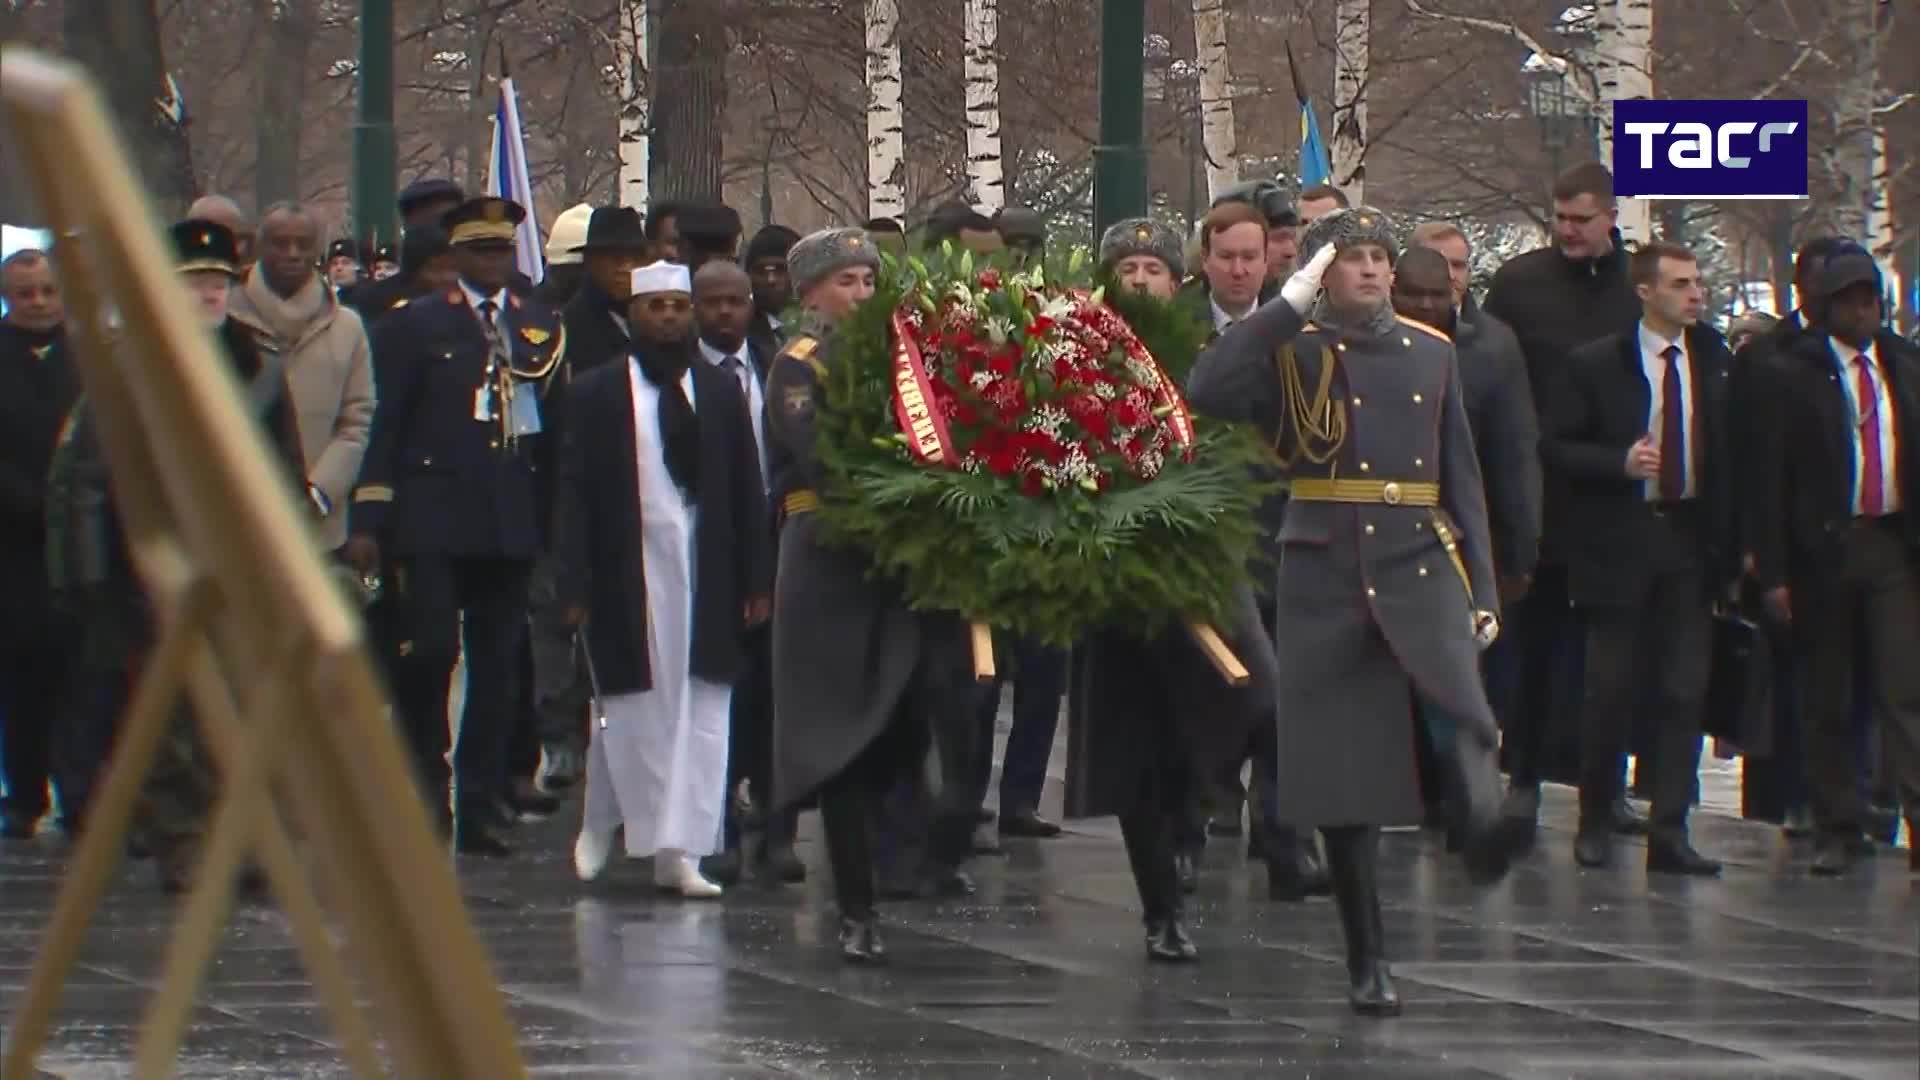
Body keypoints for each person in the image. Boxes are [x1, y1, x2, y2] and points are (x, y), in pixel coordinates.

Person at [1188, 208, 1516, 1016]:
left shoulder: (1434, 354)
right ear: (1323, 272)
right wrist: (1285, 304)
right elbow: (1209, 387)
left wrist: (1482, 585)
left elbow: (1461, 475)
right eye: (1352, 259)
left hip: (1417, 550)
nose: (1370, 272)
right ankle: (1368, 955)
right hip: (1325, 559)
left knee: (1461, 700)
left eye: (1379, 258)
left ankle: (1480, 824)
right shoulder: (1290, 349)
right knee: (1344, 771)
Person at [765, 227, 979, 963]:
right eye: (845, 283)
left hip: (901, 567)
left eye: (867, 280)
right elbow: (823, 464)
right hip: (830, 563)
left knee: (906, 726)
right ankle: (855, 903)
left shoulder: (906, 365)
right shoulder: (798, 369)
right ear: (810, 294)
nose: (860, 294)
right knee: (841, 740)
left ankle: (901, 867)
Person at [346, 196, 563, 855]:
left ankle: (480, 800)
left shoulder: (535, 323)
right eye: (482, 251)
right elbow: (385, 427)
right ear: (457, 257)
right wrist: (371, 517)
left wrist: (553, 520)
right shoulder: (413, 326)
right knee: (431, 653)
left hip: (506, 516)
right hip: (431, 515)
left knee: (499, 666)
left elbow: (550, 434)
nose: (495, 262)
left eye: (504, 250)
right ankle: (423, 782)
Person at [556, 260, 771, 897]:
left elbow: (746, 492)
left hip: (705, 575)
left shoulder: (719, 391)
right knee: (630, 711)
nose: (670, 318)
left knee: (700, 714)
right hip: (629, 573)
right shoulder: (596, 393)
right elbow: (572, 495)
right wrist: (571, 585)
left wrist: (758, 578)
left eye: (679, 307)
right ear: (636, 315)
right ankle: (605, 820)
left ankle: (679, 851)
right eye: (658, 308)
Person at [1542, 241, 1734, 877]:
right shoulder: (1597, 364)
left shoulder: (1712, 358)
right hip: (1619, 541)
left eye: (1697, 282)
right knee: (1610, 689)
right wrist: (1616, 463)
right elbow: (1557, 447)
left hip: (1686, 541)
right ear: (1646, 292)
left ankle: (1671, 829)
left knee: (1684, 690)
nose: (1695, 293)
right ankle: (1598, 817)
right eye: (1681, 284)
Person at [1748, 250, 1920, 877]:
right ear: (1825, 308)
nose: (1862, 311)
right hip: (1821, 549)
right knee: (1829, 695)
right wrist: (1773, 571)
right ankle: (1837, 825)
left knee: (1904, 689)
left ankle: (1913, 818)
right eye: (1848, 300)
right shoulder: (1793, 375)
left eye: (1870, 299)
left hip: (1892, 545)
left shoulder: (1903, 365)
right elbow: (1770, 479)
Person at [691, 259, 806, 884]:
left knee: (776, 695)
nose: (727, 313)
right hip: (712, 549)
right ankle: (721, 828)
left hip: (780, 536)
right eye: (713, 303)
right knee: (723, 697)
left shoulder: (774, 360)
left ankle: (777, 821)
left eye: (736, 301)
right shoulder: (683, 377)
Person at [230, 201, 376, 557]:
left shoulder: (347, 328)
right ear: (260, 246)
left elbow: (357, 419)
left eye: (303, 243)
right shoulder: (225, 323)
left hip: (319, 527)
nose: (292, 253)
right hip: (234, 517)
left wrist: (320, 492)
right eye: (280, 243)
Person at [0, 248, 78, 837]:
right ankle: (25, 793)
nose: (39, 302)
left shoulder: (88, 359)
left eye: (48, 290)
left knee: (80, 670)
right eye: (26, 292)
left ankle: (82, 793)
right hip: (15, 539)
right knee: (22, 669)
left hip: (81, 535)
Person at [744, 224, 799, 360]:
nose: (771, 280)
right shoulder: (740, 331)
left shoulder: (822, 326)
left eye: (780, 269)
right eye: (760, 270)